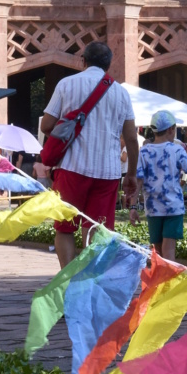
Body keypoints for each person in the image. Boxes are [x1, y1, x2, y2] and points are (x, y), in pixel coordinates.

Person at [40, 41, 139, 268]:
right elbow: (132, 139)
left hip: (72, 168)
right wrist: (131, 174)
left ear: (83, 60)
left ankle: (68, 277)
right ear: (109, 64)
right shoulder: (122, 93)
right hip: (108, 172)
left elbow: (47, 125)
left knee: (65, 228)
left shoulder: (67, 84)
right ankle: (89, 280)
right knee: (96, 229)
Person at [136, 110, 187, 261]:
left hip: (153, 208)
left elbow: (139, 180)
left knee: (158, 254)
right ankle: (169, 284)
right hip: (173, 207)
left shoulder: (143, 152)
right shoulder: (177, 150)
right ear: (170, 129)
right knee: (169, 253)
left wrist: (132, 206)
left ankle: (160, 283)